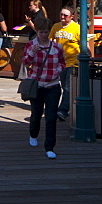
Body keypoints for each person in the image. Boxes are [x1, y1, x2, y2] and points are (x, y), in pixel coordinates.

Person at [23, 18, 66, 159]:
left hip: (53, 85)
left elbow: (62, 62)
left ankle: (49, 147)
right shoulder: (31, 45)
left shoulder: (56, 47)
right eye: (41, 32)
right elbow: (25, 63)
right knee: (36, 114)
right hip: (38, 85)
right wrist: (32, 53)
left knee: (51, 117)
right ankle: (33, 134)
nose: (43, 35)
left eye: (46, 32)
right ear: (37, 31)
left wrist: (57, 71)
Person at [48, 7, 80, 121]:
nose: (62, 17)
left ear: (72, 16)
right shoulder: (56, 26)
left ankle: (63, 110)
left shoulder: (77, 28)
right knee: (62, 87)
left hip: (73, 62)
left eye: (65, 15)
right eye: (61, 14)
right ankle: (66, 106)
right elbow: (50, 41)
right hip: (60, 62)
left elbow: (83, 44)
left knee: (67, 87)